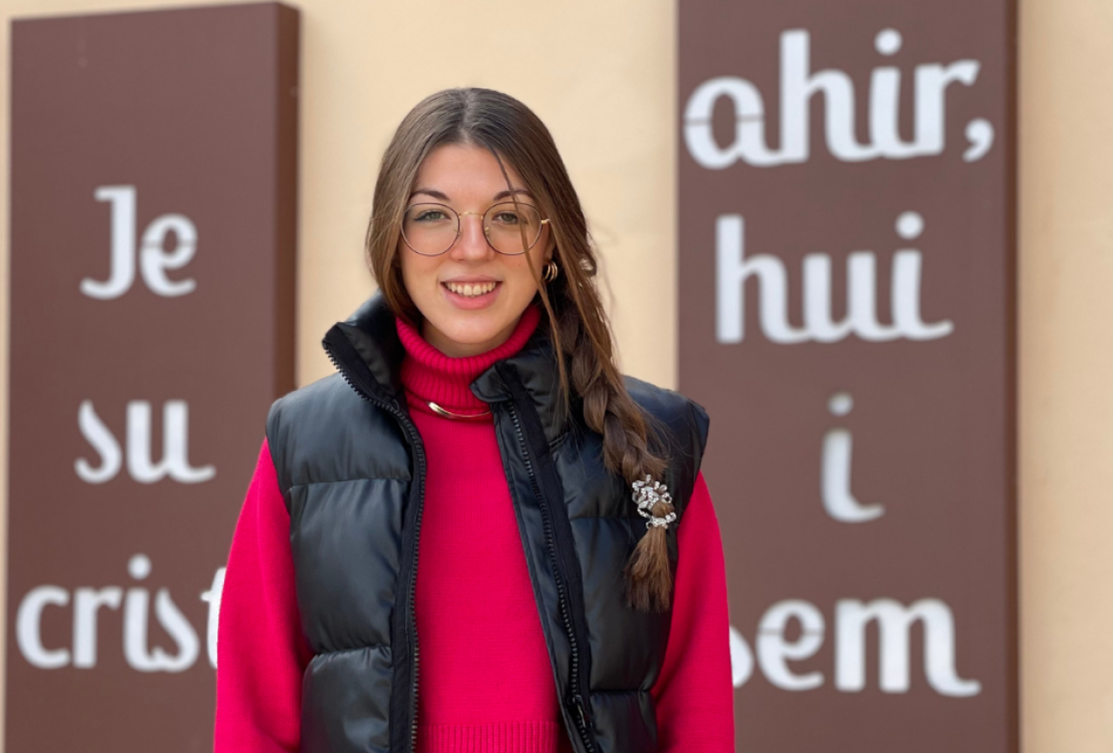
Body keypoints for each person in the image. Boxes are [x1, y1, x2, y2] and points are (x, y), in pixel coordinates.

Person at [214, 87, 734, 753]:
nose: (470, 248)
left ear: (550, 241)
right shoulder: (306, 444)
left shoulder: (651, 444)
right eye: (433, 216)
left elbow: (698, 713)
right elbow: (254, 718)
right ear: (391, 242)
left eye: (509, 216)